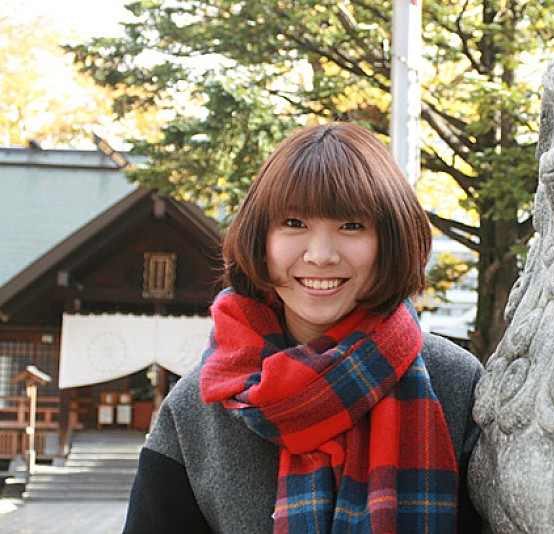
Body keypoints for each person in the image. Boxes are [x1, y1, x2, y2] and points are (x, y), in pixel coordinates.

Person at [122, 122, 484, 533]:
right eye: (294, 223)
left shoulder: (454, 381)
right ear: (261, 237)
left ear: (391, 240)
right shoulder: (199, 408)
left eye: (352, 226)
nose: (321, 255)